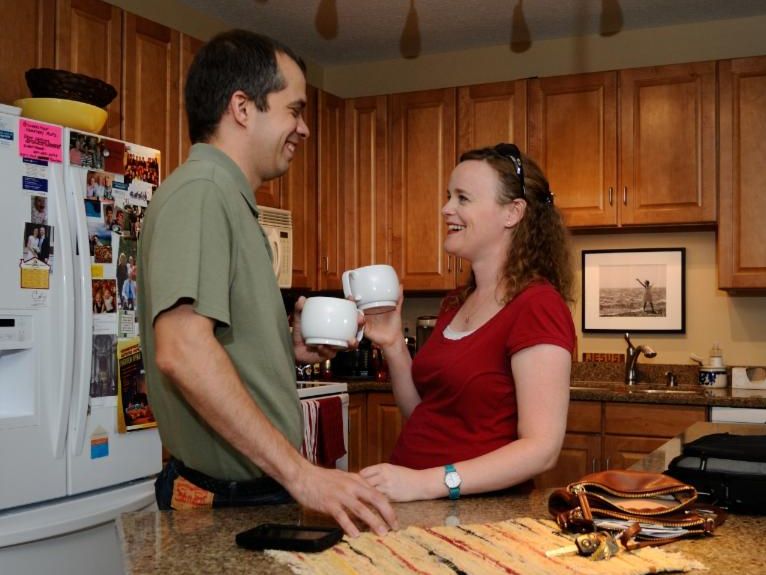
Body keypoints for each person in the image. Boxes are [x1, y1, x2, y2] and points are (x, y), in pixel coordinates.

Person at [137, 29, 396, 537]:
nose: (304, 128)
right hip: (227, 503)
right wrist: (302, 475)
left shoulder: (225, 199)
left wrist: (282, 347)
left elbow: (214, 343)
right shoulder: (203, 193)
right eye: (294, 111)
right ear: (242, 108)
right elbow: (182, 349)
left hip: (246, 496)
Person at [360, 143, 576, 502]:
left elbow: (542, 448)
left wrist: (423, 483)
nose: (446, 209)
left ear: (512, 213)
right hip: (422, 505)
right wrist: (393, 344)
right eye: (449, 196)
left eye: (463, 198)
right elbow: (426, 415)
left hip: (475, 514)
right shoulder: (458, 302)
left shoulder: (538, 306)